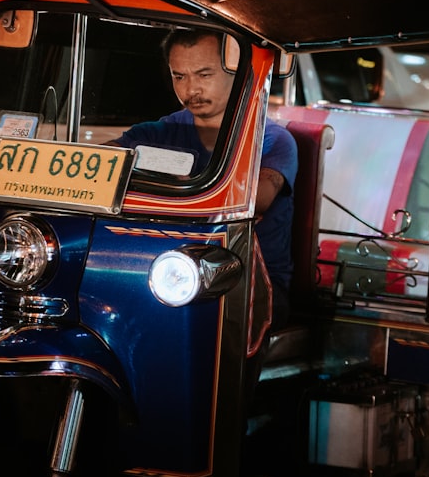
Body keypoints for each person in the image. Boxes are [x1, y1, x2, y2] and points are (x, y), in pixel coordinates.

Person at [111, 28, 298, 328]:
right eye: (179, 76)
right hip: (169, 273)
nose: (190, 90)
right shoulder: (157, 132)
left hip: (248, 284)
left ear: (235, 72)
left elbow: (256, 199)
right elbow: (101, 165)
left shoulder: (274, 140)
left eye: (204, 74)